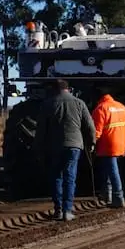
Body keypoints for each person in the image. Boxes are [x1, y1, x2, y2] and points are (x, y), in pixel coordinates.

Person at [33, 79, 96, 220]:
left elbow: (41, 130)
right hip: (74, 146)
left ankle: (58, 209)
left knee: (56, 177)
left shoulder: (48, 104)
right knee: (70, 176)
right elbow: (90, 127)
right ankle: (68, 211)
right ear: (69, 89)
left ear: (55, 90)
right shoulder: (79, 103)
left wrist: (38, 148)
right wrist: (91, 143)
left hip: (54, 146)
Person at [91, 90, 125, 207]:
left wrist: (91, 143)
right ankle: (108, 195)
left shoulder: (101, 109)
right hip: (121, 144)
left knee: (112, 171)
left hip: (108, 145)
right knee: (110, 169)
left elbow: (97, 131)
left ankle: (118, 197)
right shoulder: (122, 108)